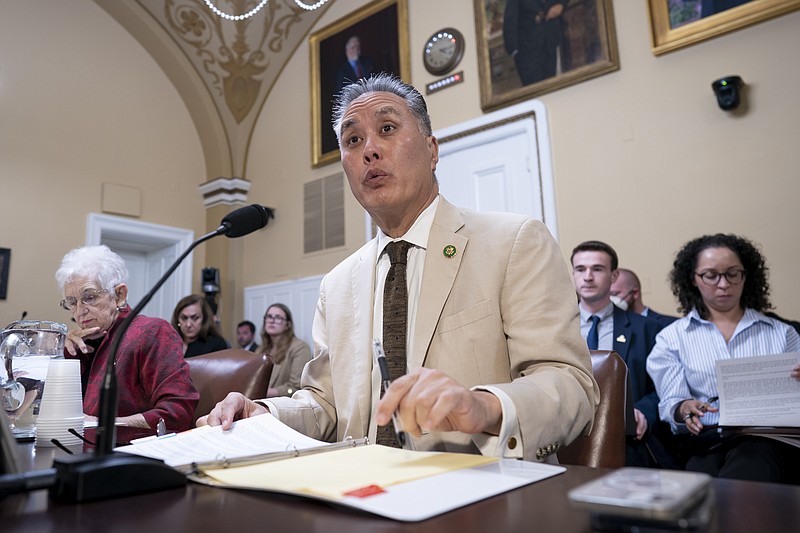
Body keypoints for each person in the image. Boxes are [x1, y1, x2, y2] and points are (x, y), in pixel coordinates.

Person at [199, 73, 597, 463]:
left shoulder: (514, 242)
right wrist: (265, 415)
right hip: (361, 495)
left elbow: (571, 385)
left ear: (432, 149)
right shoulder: (337, 285)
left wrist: (486, 406)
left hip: (477, 493)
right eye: (353, 140)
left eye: (387, 128)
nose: (369, 149)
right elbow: (324, 404)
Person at [646, 233, 800, 483]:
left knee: (751, 464)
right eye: (710, 275)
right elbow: (671, 400)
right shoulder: (672, 338)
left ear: (746, 276)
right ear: (694, 279)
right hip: (704, 441)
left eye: (732, 273)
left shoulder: (782, 334)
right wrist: (684, 408)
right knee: (701, 483)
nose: (723, 284)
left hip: (766, 441)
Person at [56, 245, 198, 431]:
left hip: (131, 452)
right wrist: (65, 354)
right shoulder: (82, 344)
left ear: (119, 295)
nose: (79, 312)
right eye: (72, 303)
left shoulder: (151, 332)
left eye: (89, 297)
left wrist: (102, 425)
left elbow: (177, 414)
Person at [571, 240, 673, 468]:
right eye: (580, 269)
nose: (587, 277)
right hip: (569, 437)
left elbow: (663, 388)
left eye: (597, 269)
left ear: (614, 275)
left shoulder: (646, 329)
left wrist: (643, 412)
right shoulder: (556, 327)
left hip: (628, 441)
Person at [503, 0, 570, 86]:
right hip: (528, 53)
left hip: (551, 43)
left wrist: (561, 5)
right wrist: (515, 52)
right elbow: (510, 20)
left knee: (553, 86)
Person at [257, 304, 312, 397]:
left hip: (283, 405)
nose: (272, 321)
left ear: (288, 324)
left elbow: (296, 387)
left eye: (278, 317)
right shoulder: (260, 349)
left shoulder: (300, 347)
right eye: (269, 316)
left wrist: (261, 392)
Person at [611, 268, 678, 328]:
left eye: (614, 294)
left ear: (635, 293)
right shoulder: (608, 328)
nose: (610, 299)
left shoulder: (671, 325)